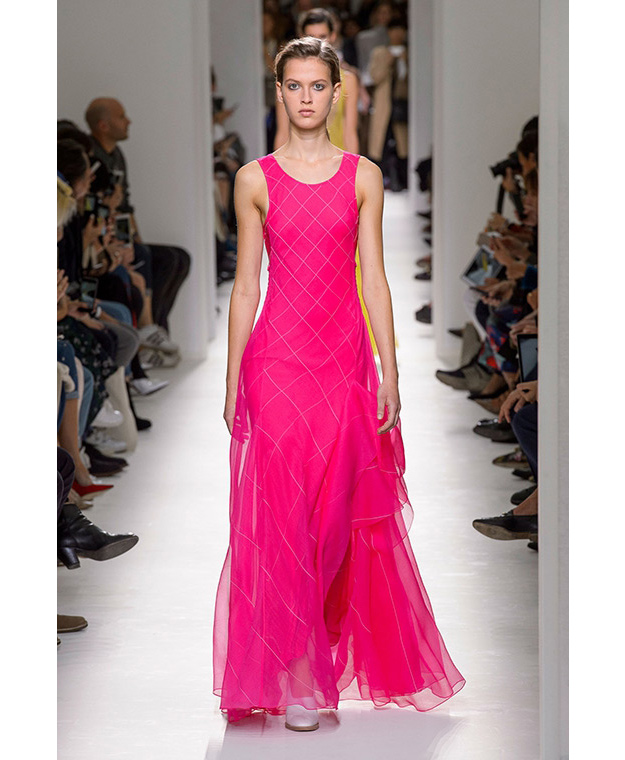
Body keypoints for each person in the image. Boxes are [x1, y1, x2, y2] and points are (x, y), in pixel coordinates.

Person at [212, 36, 465, 733]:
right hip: (276, 362)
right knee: (283, 518)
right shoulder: (254, 179)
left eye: (316, 86)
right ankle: (297, 673)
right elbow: (245, 287)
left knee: (334, 521)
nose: (305, 97)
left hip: (343, 362)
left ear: (335, 93)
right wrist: (233, 381)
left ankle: (314, 650)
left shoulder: (363, 176)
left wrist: (391, 370)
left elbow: (374, 278)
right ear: (279, 92)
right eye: (293, 85)